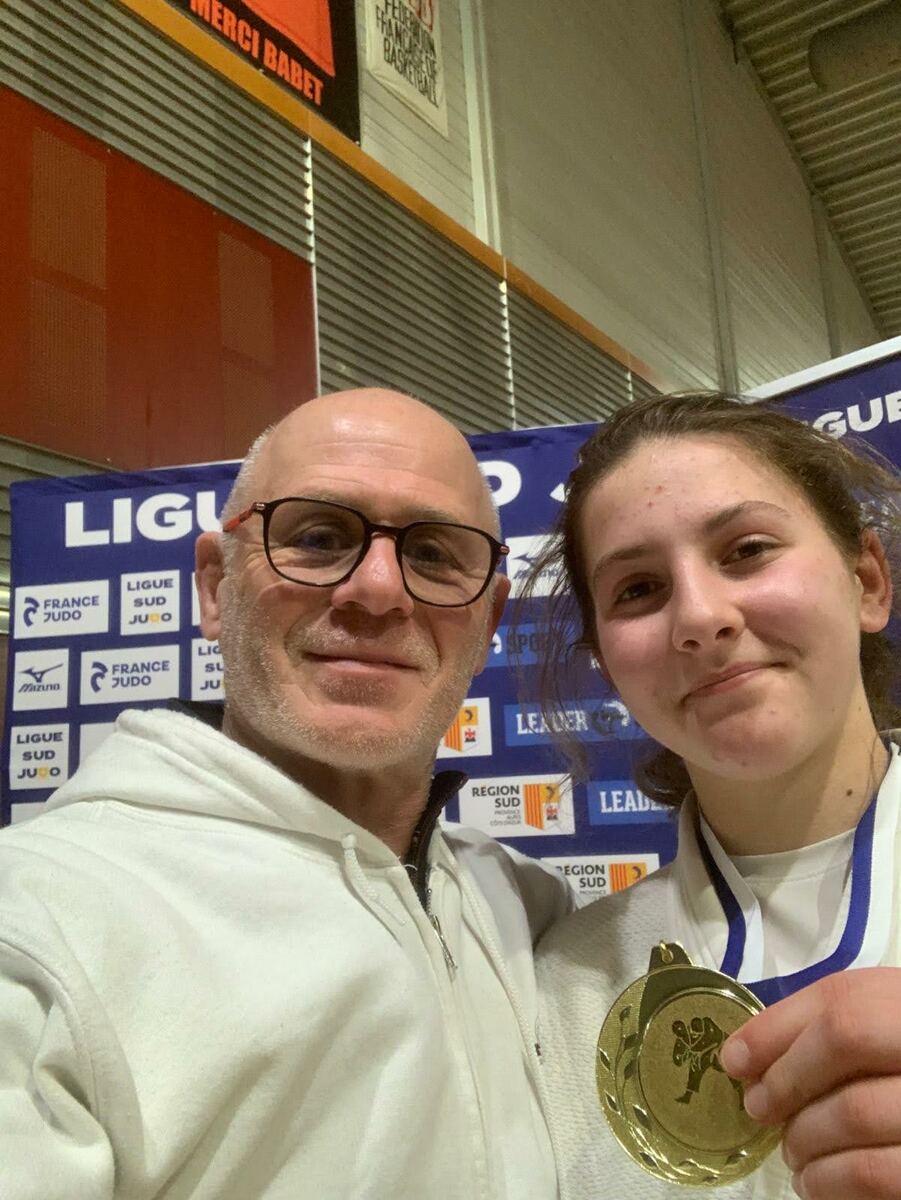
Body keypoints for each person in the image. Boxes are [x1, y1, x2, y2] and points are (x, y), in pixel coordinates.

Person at [0, 389, 572, 1199]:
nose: (379, 590)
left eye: (434, 554)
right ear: (213, 586)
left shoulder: (525, 908)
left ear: (487, 623)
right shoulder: (35, 922)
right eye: (317, 537)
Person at [528, 393, 901, 1200]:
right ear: (609, 666)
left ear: (867, 581)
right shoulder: (563, 987)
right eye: (637, 589)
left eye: (747, 549)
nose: (698, 617)